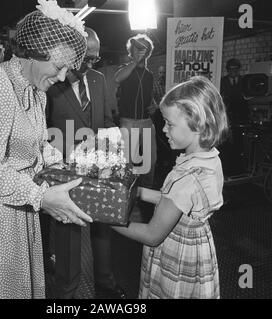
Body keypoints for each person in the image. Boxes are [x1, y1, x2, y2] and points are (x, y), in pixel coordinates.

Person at [0, 0, 92, 299]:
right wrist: (42, 196)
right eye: (59, 66)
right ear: (35, 53)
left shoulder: (36, 90)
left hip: (15, 199)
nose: (63, 77)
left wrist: (74, 166)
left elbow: (37, 147)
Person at [112, 76, 228, 299]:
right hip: (197, 247)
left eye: (170, 124)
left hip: (177, 253)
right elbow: (176, 202)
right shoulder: (208, 159)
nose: (163, 129)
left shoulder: (187, 178)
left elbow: (152, 235)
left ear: (198, 124)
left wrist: (107, 221)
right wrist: (139, 192)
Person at [45, 27, 124, 299]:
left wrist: (112, 143)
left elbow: (108, 120)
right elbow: (44, 130)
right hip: (65, 174)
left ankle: (106, 285)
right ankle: (65, 291)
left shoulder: (99, 79)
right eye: (87, 58)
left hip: (100, 170)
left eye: (95, 59)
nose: (91, 64)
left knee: (102, 230)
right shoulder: (51, 82)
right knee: (67, 235)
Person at [114, 34, 156, 187]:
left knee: (150, 161)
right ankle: (126, 193)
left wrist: (153, 104)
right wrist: (135, 62)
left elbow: (150, 96)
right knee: (128, 162)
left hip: (146, 121)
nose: (141, 51)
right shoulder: (125, 70)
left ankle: (145, 196)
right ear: (131, 52)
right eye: (137, 49)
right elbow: (117, 79)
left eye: (144, 49)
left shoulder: (149, 75)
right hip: (129, 122)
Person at [219, 58, 248, 176]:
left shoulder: (244, 81)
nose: (233, 72)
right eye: (231, 69)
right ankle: (226, 170)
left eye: (236, 69)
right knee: (226, 145)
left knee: (239, 145)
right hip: (227, 116)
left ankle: (238, 170)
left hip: (241, 117)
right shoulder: (222, 81)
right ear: (227, 70)